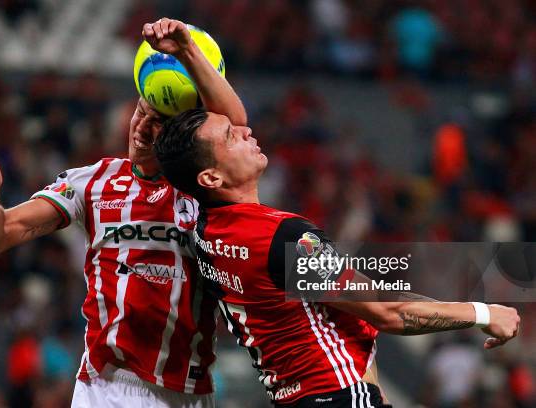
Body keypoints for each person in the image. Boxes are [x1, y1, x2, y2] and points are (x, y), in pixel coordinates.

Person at [0, 19, 246, 408]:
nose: (141, 128)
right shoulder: (92, 181)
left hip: (185, 392)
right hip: (104, 385)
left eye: (157, 122)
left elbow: (234, 126)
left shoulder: (202, 186)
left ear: (177, 136)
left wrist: (188, 50)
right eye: (140, 113)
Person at [153, 108, 521, 407]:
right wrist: (483, 313)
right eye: (231, 136)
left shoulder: (200, 227)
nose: (246, 131)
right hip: (338, 395)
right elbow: (387, 312)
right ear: (211, 178)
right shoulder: (282, 237)